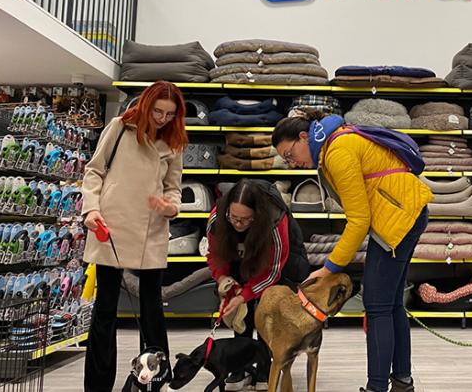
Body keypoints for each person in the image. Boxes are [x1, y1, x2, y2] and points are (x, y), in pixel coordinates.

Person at [272, 112, 433, 392]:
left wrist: (330, 267)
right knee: (391, 303)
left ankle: (377, 387)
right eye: (286, 160)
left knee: (377, 305)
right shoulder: (336, 141)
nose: (292, 162)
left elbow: (359, 220)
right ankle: (402, 381)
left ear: (303, 137)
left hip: (396, 220)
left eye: (290, 154)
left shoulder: (337, 151)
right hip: (404, 213)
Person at [81, 81, 187, 392]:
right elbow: (94, 170)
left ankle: (156, 380)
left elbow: (174, 188)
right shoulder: (119, 127)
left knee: (152, 307)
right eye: (158, 111)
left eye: (170, 114)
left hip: (152, 229)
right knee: (106, 307)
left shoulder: (175, 142)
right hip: (110, 225)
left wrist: (170, 207)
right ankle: (97, 385)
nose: (163, 118)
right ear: (145, 105)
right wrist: (91, 209)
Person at [206, 178, 309, 391]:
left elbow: (273, 271)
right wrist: (224, 281)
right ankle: (241, 366)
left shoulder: (275, 220)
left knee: (266, 310)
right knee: (240, 316)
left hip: (273, 262)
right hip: (238, 256)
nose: (238, 224)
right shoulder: (217, 218)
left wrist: (245, 295)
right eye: (234, 217)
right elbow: (215, 255)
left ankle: (265, 367)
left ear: (257, 215)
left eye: (245, 219)